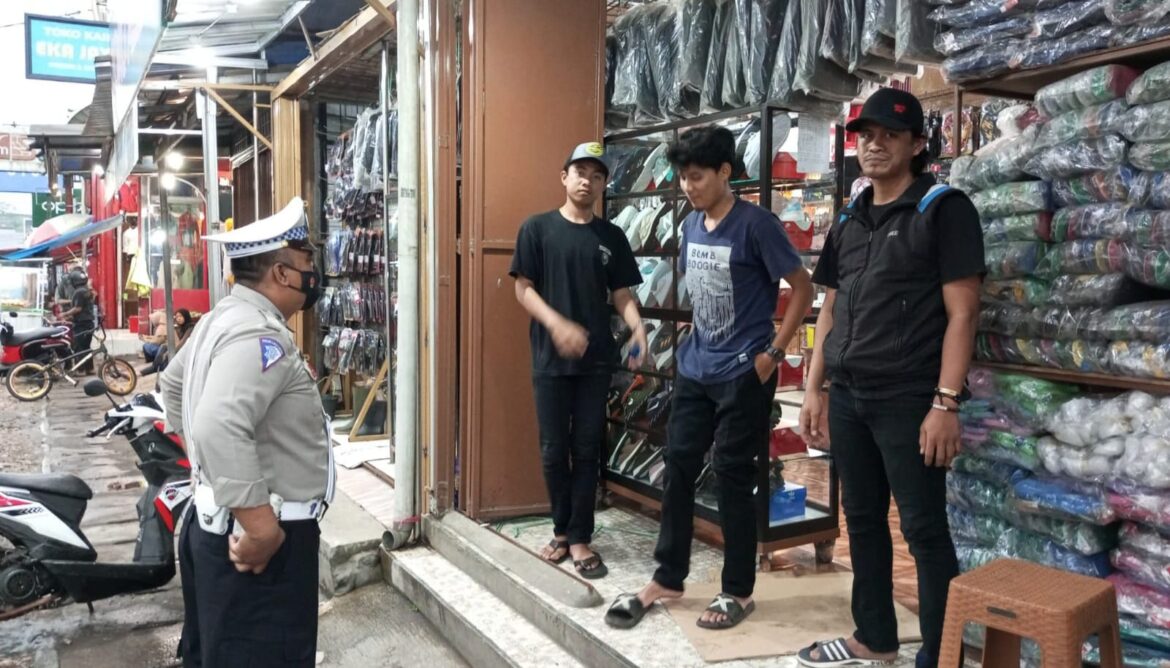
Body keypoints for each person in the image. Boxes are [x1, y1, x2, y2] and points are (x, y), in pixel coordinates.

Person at [796, 88, 984, 668]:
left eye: (889, 135)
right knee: (862, 520)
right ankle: (873, 636)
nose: (873, 145)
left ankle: (940, 654)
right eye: (864, 135)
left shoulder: (943, 209)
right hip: (850, 395)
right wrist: (813, 388)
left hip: (909, 397)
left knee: (924, 529)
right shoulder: (851, 217)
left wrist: (945, 403)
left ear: (917, 144)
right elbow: (831, 306)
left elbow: (964, 313)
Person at [606, 126, 814, 630]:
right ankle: (668, 576)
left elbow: (804, 290)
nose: (688, 187)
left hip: (745, 372)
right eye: (682, 178)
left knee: (734, 476)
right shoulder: (693, 223)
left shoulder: (757, 225)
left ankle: (738, 591)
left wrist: (772, 352)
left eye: (697, 177)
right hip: (697, 369)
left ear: (725, 172)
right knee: (677, 464)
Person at [159, 197, 334, 668]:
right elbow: (217, 424)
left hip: (221, 526)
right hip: (256, 543)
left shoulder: (222, 318)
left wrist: (214, 477)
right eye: (305, 262)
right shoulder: (260, 335)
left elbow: (173, 386)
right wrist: (260, 527)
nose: (312, 274)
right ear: (281, 273)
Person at [510, 142, 646, 580]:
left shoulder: (611, 237)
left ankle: (581, 537)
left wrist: (638, 326)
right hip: (550, 359)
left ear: (605, 184)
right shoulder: (537, 229)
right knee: (553, 450)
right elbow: (523, 288)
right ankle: (561, 530)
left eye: (597, 174)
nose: (587, 180)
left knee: (588, 450)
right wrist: (557, 325)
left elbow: (622, 293)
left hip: (596, 362)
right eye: (580, 171)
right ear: (564, 176)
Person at [61, 269, 96, 375]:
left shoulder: (79, 292)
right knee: (86, 347)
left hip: (81, 324)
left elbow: (78, 309)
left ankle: (80, 370)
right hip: (89, 323)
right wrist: (69, 318)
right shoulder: (87, 291)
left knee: (78, 347)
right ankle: (89, 369)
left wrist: (65, 314)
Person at [142, 309, 194, 376]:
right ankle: (155, 366)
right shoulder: (179, 328)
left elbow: (182, 343)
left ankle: (155, 367)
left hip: (186, 352)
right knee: (163, 346)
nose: (178, 319)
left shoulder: (190, 327)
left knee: (164, 349)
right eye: (177, 317)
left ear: (186, 316)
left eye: (181, 316)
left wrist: (170, 352)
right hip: (179, 350)